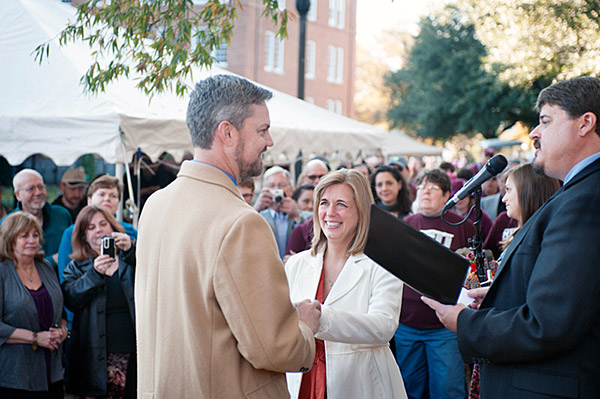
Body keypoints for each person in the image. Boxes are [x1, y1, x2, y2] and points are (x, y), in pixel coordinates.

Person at [135, 74, 319, 398]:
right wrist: (304, 327)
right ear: (227, 132)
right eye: (263, 130)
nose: (270, 141)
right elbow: (275, 348)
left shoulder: (155, 205)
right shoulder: (241, 223)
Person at [422, 76, 600, 398]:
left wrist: (465, 323)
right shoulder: (578, 193)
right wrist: (497, 297)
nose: (534, 133)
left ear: (586, 123)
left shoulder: (585, 199)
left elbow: (548, 324)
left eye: (545, 121)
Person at [284, 169, 407, 399]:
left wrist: (321, 318)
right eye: (323, 203)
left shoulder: (383, 265)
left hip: (360, 384)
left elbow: (383, 327)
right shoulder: (297, 264)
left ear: (361, 212)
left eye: (341, 204)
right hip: (303, 381)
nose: (330, 213)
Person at [395, 169, 474, 399]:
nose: (425, 191)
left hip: (445, 327)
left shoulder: (463, 225)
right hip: (407, 323)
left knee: (448, 390)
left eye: (432, 188)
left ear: (447, 194)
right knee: (410, 389)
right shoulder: (406, 223)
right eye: (420, 187)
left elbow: (473, 271)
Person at [62, 205, 136, 398]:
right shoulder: (76, 267)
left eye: (103, 224)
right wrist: (94, 274)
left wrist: (132, 250)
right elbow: (70, 299)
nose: (99, 230)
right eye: (91, 227)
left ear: (113, 227)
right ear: (83, 236)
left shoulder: (131, 258)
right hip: (95, 357)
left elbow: (155, 276)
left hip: (133, 353)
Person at [0, 211, 68, 398]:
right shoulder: (2, 272)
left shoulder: (45, 267)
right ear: (10, 239)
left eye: (35, 235)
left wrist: (62, 331)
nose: (32, 240)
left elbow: (60, 311)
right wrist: (35, 338)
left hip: (51, 371)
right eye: (24, 236)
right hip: (15, 374)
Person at [1, 169, 72, 270]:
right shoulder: (7, 224)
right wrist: (53, 260)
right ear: (17, 195)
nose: (38, 192)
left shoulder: (62, 214)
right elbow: (7, 266)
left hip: (63, 283)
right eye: (31, 189)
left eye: (41, 187)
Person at [258, 166, 304, 258]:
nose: (276, 189)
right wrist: (257, 207)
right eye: (271, 186)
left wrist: (296, 217)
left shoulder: (304, 216)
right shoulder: (258, 216)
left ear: (291, 190)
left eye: (281, 185)